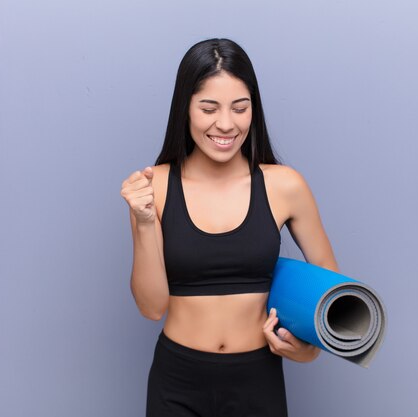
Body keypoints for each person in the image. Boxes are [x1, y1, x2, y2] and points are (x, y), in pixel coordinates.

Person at [120, 38, 339, 417]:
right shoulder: (152, 186)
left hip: (259, 379)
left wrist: (307, 350)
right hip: (177, 382)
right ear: (184, 109)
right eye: (209, 108)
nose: (226, 123)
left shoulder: (285, 186)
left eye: (240, 108)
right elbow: (152, 307)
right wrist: (142, 222)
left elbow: (331, 297)